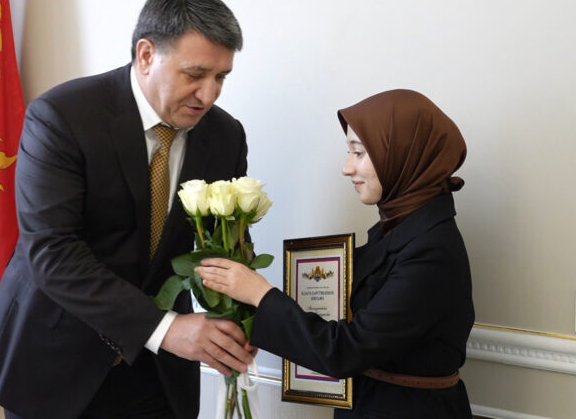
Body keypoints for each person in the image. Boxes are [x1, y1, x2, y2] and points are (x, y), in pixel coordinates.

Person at [0, 0, 254, 419]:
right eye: (195, 74)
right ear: (146, 54)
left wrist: (247, 317)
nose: (209, 94)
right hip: (55, 361)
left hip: (160, 376)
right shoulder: (62, 116)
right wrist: (163, 329)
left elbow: (225, 246)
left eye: (221, 77)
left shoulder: (225, 136)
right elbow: (53, 252)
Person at [197, 89, 475, 418]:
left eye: (359, 152)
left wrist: (260, 294)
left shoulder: (431, 251)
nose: (346, 168)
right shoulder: (400, 230)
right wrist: (259, 320)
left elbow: (346, 350)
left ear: (402, 154)